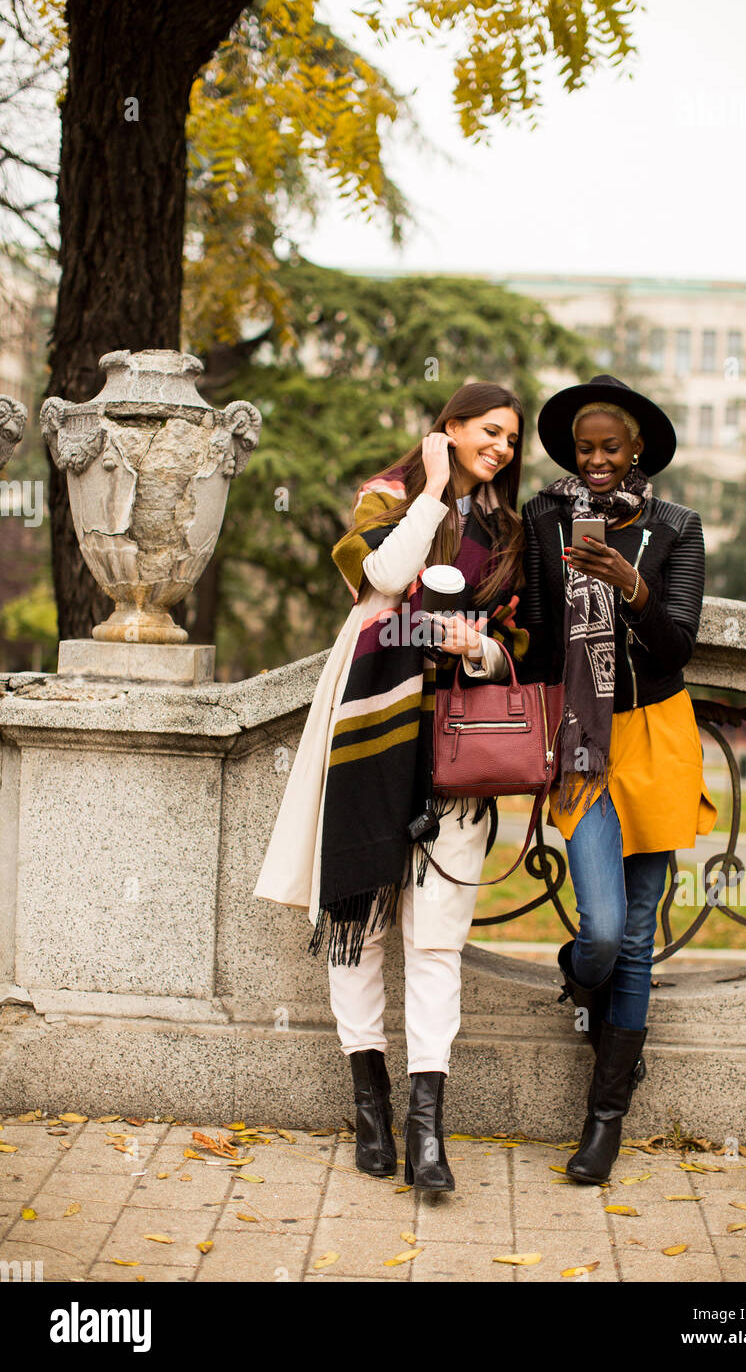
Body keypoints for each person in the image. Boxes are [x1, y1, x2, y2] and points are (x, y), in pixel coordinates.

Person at [253, 381, 528, 1193]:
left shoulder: (510, 535)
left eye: (511, 438)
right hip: (372, 736)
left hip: (456, 750)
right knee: (358, 926)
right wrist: (435, 490)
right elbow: (382, 573)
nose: (503, 448)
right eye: (489, 431)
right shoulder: (387, 497)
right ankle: (368, 1103)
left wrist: (472, 646)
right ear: (447, 430)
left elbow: (517, 650)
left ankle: (427, 1129)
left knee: (436, 939)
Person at [519, 373, 717, 1184]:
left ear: (638, 450)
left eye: (611, 446)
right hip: (582, 742)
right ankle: (579, 976)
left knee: (636, 938)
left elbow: (677, 649)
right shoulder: (544, 518)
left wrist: (629, 586)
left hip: (659, 739)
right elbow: (534, 637)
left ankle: (605, 1119)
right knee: (601, 933)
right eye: (584, 447)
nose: (596, 458)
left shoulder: (677, 527)